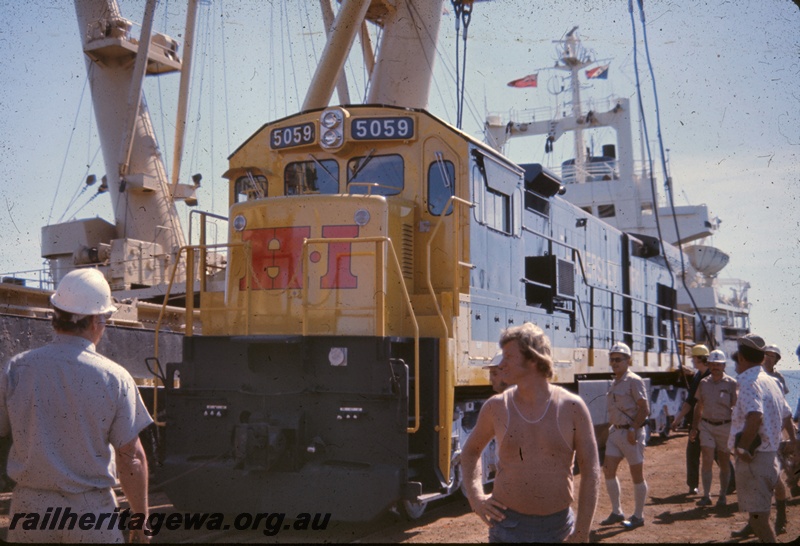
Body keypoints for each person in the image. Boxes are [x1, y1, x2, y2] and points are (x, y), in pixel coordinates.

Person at [0, 268, 153, 543]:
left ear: (55, 316)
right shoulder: (115, 378)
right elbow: (131, 457)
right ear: (95, 321)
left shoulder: (16, 368)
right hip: (90, 515)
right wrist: (140, 519)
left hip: (30, 511)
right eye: (106, 318)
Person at [462, 323, 601, 543]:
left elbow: (591, 471)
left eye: (509, 356)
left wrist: (582, 531)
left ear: (533, 359)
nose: (501, 363)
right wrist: (476, 496)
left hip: (559, 530)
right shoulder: (496, 407)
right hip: (507, 527)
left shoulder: (572, 407)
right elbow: (470, 452)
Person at [727, 334, 798, 543]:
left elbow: (755, 415)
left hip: (754, 460)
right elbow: (787, 415)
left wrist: (742, 448)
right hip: (770, 457)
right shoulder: (771, 381)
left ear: (741, 357)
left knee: (759, 521)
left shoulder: (749, 382)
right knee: (760, 516)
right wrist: (794, 444)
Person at [599, 342, 649, 530]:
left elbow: (644, 409)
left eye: (618, 359)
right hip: (616, 432)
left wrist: (633, 429)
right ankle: (616, 511)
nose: (614, 362)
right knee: (608, 469)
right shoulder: (616, 381)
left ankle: (638, 515)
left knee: (637, 474)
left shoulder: (633, 380)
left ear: (629, 360)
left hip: (631, 433)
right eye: (612, 359)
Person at [689, 349, 736, 508]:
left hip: (725, 427)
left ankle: (722, 495)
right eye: (713, 364)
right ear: (708, 365)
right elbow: (698, 406)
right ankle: (706, 496)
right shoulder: (703, 383)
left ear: (724, 366)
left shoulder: (731, 384)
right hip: (707, 426)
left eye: (718, 364)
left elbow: (736, 407)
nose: (715, 367)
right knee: (707, 460)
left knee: (723, 462)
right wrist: (694, 427)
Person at [670, 344, 710, 495]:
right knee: (693, 454)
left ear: (698, 358)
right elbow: (689, 402)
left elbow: (693, 403)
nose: (691, 360)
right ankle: (693, 485)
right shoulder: (698, 376)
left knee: (716, 454)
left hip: (705, 423)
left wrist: (678, 419)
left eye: (693, 357)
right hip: (698, 422)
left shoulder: (707, 377)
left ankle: (731, 482)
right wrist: (678, 419)